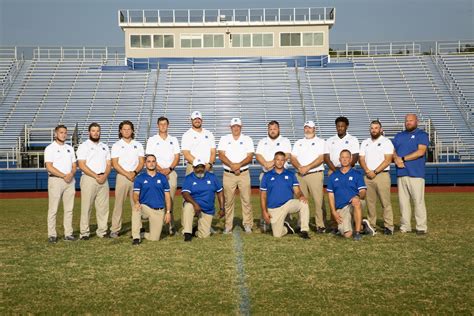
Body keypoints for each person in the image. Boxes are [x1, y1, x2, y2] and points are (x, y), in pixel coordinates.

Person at [392, 114, 429, 235]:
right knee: (403, 203)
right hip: (401, 173)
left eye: (411, 120)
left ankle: (421, 227)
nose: (408, 122)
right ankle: (405, 226)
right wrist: (396, 159)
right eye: (406, 121)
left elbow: (420, 152)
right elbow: (392, 151)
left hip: (416, 173)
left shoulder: (422, 135)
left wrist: (402, 158)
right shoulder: (399, 136)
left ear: (416, 121)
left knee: (418, 201)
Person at [260, 151, 310, 239]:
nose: (280, 162)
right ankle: (287, 228)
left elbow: (297, 191)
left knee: (303, 203)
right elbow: (263, 196)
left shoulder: (290, 174)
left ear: (284, 161)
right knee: (277, 235)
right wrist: (264, 211)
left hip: (288, 204)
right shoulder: (267, 176)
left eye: (282, 160)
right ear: (274, 161)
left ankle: (304, 230)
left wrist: (301, 196)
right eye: (277, 160)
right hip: (274, 208)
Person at [217, 118, 254, 234]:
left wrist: (238, 165)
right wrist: (232, 165)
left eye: (238, 126)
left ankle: (247, 224)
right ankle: (228, 226)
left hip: (243, 173)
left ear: (241, 127)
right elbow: (221, 155)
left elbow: (249, 157)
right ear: (230, 127)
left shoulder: (247, 139)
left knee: (246, 200)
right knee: (228, 201)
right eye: (234, 126)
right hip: (228, 174)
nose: (236, 128)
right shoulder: (224, 139)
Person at [324, 116, 360, 233]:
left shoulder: (353, 139)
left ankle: (356, 222)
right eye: (338, 126)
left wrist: (346, 168)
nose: (340, 128)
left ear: (346, 127)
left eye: (342, 126)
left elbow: (355, 156)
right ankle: (334, 223)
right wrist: (336, 171)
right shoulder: (330, 140)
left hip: (348, 171)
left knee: (349, 196)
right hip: (334, 171)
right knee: (332, 197)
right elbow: (326, 157)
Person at [110, 121, 144, 238]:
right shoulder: (116, 145)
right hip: (122, 177)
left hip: (136, 177)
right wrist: (126, 174)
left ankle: (138, 227)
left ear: (132, 130)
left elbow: (141, 162)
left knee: (136, 202)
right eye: (124, 129)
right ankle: (115, 229)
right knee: (118, 204)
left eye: (129, 129)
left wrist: (134, 172)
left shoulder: (138, 144)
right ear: (120, 131)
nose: (126, 131)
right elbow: (115, 163)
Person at [291, 120, 327, 234]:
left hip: (315, 174)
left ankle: (320, 224)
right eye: (306, 127)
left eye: (310, 128)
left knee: (318, 200)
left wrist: (308, 167)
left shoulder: (321, 142)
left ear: (314, 129)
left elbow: (322, 158)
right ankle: (301, 223)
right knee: (301, 199)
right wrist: (300, 167)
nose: (308, 130)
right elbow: (293, 158)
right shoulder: (298, 142)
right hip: (300, 174)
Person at [146, 116, 180, 235]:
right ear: (157, 125)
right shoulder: (152, 139)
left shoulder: (173, 139)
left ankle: (171, 226)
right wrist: (161, 170)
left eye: (165, 124)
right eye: (161, 124)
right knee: (156, 199)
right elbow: (149, 157)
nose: (163, 126)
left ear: (168, 125)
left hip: (171, 173)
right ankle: (157, 225)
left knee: (170, 199)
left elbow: (177, 157)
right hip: (156, 173)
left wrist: (169, 169)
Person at [77, 122, 111, 240]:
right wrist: (96, 176)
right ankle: (84, 232)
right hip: (89, 178)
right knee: (87, 206)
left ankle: (102, 231)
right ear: (89, 132)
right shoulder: (84, 146)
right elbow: (81, 165)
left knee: (103, 207)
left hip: (103, 179)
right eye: (93, 131)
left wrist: (105, 175)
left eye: (98, 131)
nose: (96, 133)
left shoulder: (104, 146)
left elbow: (108, 164)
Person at [359, 120, 394, 235]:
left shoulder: (386, 142)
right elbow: (361, 159)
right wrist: (368, 171)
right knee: (370, 203)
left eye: (376, 128)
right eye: (372, 128)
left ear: (381, 129)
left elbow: (388, 160)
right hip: (368, 175)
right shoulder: (365, 142)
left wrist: (375, 171)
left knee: (385, 202)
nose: (374, 130)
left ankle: (389, 226)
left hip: (381, 175)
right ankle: (371, 225)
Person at [256, 120, 292, 231]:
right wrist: (265, 164)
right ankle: (265, 220)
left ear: (279, 129)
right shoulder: (262, 141)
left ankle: (286, 221)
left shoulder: (285, 141)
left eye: (274, 129)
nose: (272, 131)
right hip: (266, 174)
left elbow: (287, 155)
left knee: (285, 198)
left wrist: (271, 163)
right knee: (265, 198)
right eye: (270, 129)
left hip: (282, 174)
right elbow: (258, 155)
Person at [44, 125, 77, 243]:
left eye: (65, 133)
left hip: (70, 181)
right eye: (61, 132)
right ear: (55, 134)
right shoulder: (50, 148)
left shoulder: (70, 148)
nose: (63, 135)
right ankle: (52, 234)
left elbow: (74, 165)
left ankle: (68, 233)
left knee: (69, 209)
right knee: (53, 209)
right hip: (56, 180)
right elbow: (49, 166)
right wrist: (64, 175)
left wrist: (71, 174)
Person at [327, 150, 368, 241]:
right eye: (342, 157)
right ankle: (362, 226)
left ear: (351, 159)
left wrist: (357, 196)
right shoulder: (333, 176)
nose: (344, 160)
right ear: (339, 159)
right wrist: (334, 212)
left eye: (347, 157)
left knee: (356, 203)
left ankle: (357, 233)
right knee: (347, 234)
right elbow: (330, 196)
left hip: (354, 204)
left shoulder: (357, 174)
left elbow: (363, 192)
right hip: (341, 208)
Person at [131, 154, 172, 245]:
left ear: (156, 163)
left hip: (158, 210)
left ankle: (142, 234)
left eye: (153, 161)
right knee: (136, 208)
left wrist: (168, 212)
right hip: (145, 208)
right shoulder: (140, 178)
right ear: (145, 164)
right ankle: (136, 237)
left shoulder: (162, 178)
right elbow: (135, 194)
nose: (151, 163)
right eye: (149, 161)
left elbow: (167, 196)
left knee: (155, 238)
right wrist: (137, 202)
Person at [181, 158, 225, 242]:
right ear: (193, 168)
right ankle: (187, 234)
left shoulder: (212, 177)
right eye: (197, 167)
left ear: (205, 167)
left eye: (201, 167)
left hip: (207, 208)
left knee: (204, 236)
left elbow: (220, 192)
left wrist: (222, 208)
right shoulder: (189, 178)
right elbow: (185, 194)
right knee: (188, 206)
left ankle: (196, 229)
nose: (199, 170)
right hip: (194, 205)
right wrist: (195, 204)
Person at [181, 111, 216, 175]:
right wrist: (200, 164)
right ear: (191, 120)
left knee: (208, 185)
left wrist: (209, 164)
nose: (197, 120)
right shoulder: (186, 135)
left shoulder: (209, 133)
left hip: (208, 167)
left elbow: (213, 152)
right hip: (193, 167)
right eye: (195, 119)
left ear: (202, 120)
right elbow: (186, 154)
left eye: (199, 118)